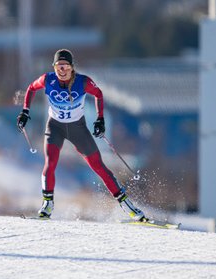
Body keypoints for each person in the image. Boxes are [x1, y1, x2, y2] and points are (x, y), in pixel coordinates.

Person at [17, 49, 147, 221]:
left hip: (77, 128)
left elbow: (98, 94)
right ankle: (47, 204)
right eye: (58, 66)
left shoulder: (82, 82)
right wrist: (25, 112)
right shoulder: (47, 79)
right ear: (54, 67)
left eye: (65, 66)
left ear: (72, 67)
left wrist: (100, 119)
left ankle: (127, 205)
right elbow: (31, 88)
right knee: (50, 163)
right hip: (55, 127)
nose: (61, 70)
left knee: (98, 166)